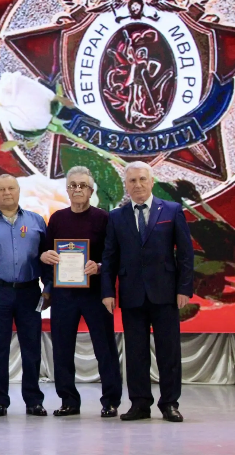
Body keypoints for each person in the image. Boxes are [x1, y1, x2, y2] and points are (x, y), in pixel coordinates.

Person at [101, 161, 194, 422]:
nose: (138, 184)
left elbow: (185, 254)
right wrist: (107, 291)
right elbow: (109, 257)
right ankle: (140, 404)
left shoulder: (172, 210)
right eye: (132, 180)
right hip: (131, 294)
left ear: (152, 181)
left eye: (142, 179)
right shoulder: (116, 216)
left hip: (165, 293)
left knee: (169, 352)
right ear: (126, 185)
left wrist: (184, 288)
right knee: (135, 353)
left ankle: (170, 403)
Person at [40, 166, 122, 418]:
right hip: (64, 294)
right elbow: (45, 252)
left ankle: (111, 401)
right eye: (73, 185)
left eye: (82, 186)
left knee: (104, 347)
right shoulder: (57, 219)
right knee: (62, 348)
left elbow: (113, 256)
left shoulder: (103, 218)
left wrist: (99, 266)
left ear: (91, 191)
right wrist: (45, 256)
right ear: (67, 190)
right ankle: (68, 401)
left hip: (95, 293)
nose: (77, 189)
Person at [0, 174, 49, 417]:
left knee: (32, 348)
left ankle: (34, 401)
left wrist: (48, 288)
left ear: (18, 191)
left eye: (11, 188)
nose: (7, 193)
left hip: (30, 292)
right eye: (1, 189)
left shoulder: (37, 221)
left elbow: (47, 258)